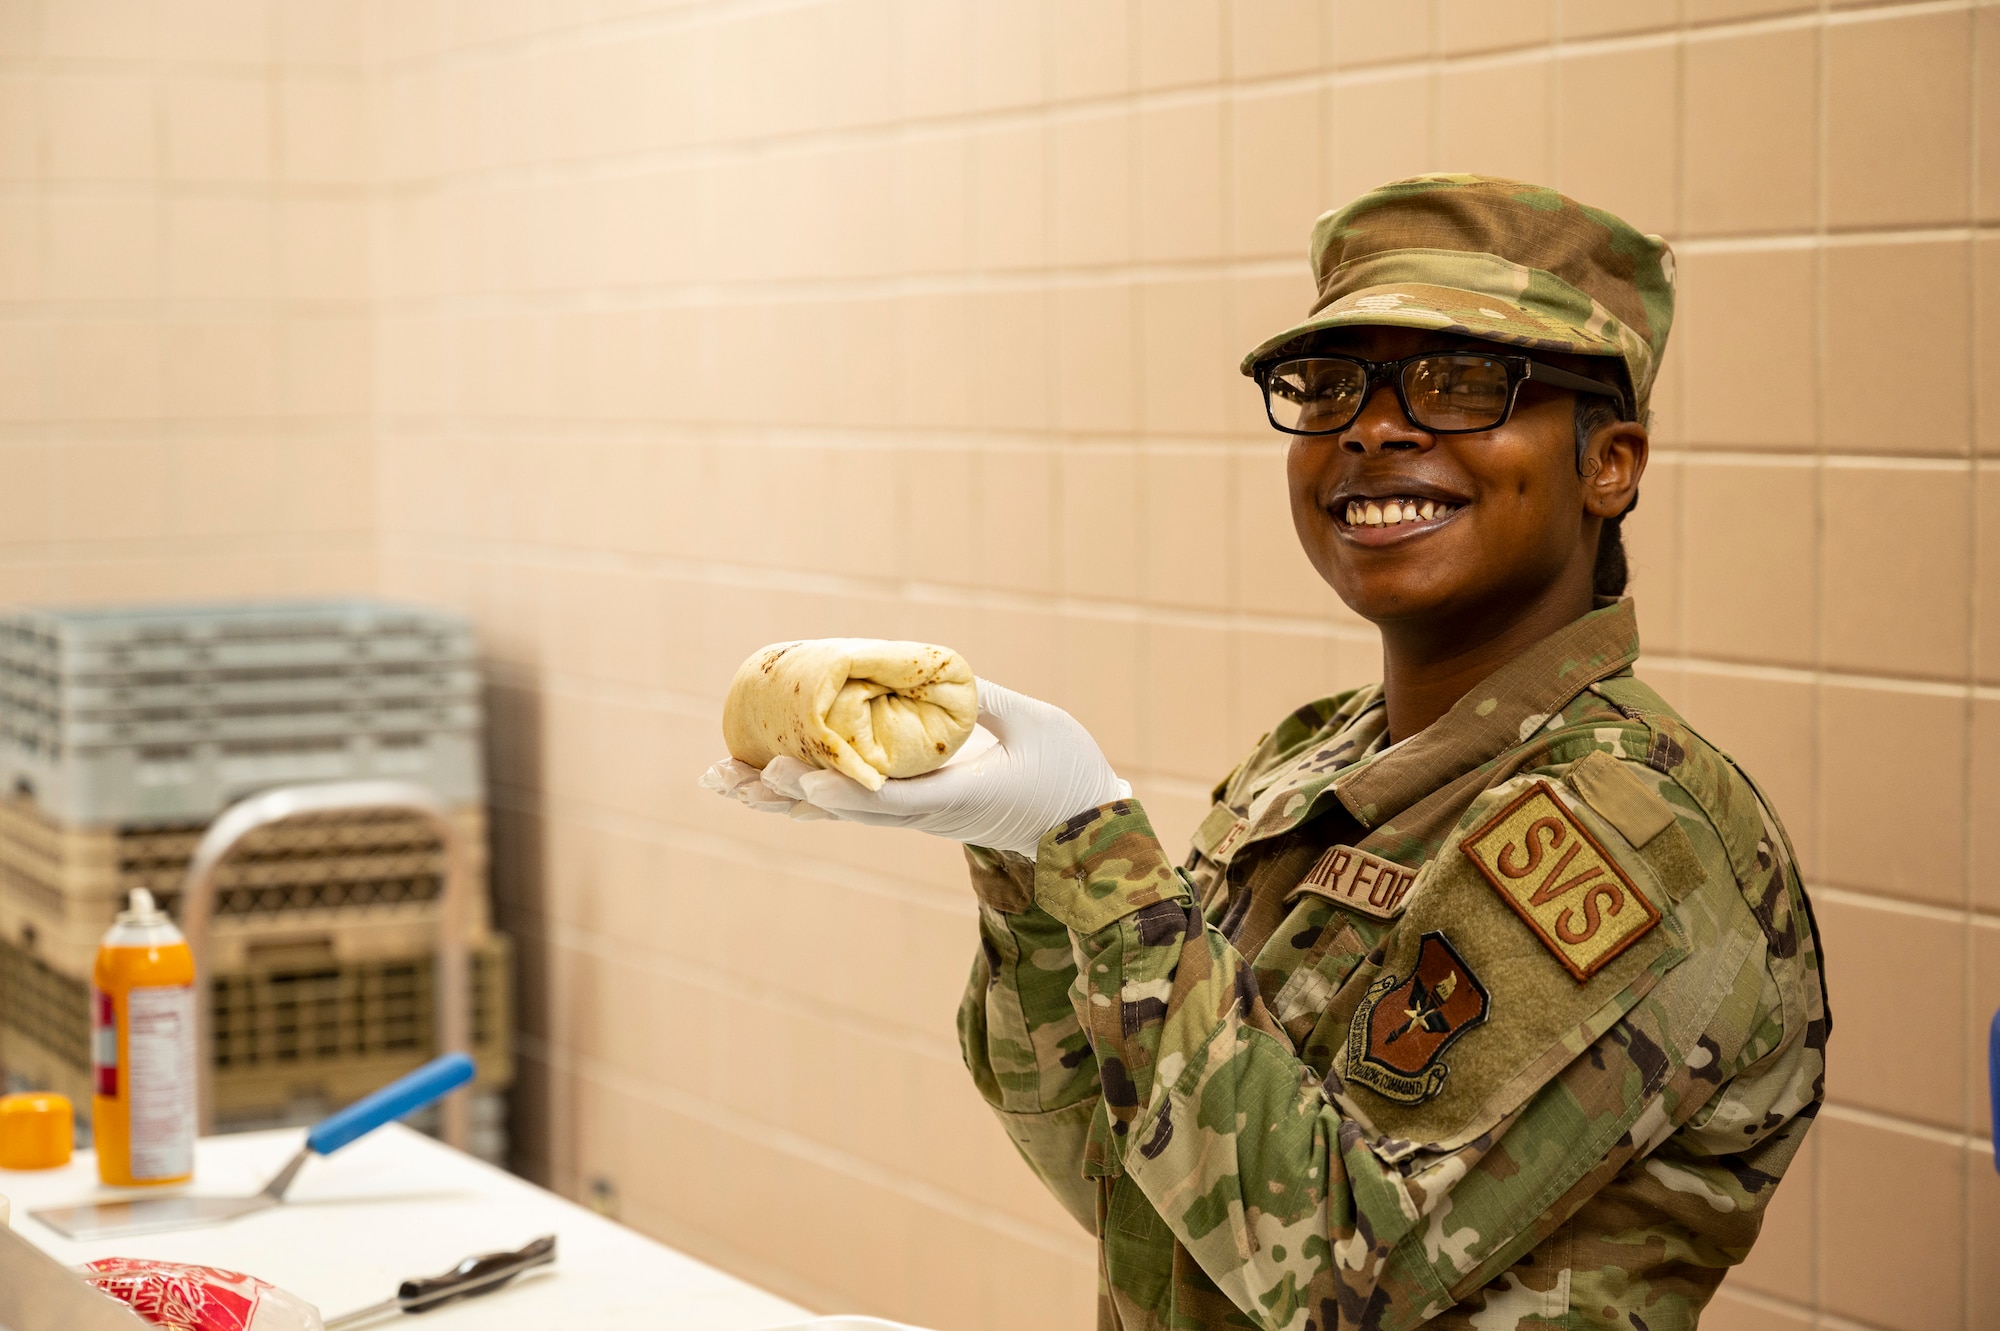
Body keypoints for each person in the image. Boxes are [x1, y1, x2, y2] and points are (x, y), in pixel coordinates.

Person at [708, 175, 1829, 1331]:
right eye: (1327, 384)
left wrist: (1093, 846)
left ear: (1610, 463)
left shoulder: (1629, 831)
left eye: (1458, 382)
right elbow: (1131, 1175)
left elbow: (1337, 1266)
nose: (1373, 426)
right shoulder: (1313, 762)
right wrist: (1027, 867)